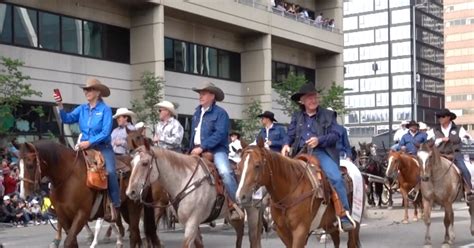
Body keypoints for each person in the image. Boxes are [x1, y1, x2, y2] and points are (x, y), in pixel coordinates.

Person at [281, 82, 354, 231]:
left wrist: (319, 140)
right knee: (279, 174)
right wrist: (285, 145)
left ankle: (343, 213)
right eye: (309, 98)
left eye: (314, 96)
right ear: (302, 101)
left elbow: (335, 135)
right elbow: (290, 134)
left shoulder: (328, 114)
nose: (313, 100)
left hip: (321, 152)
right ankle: (276, 212)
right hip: (300, 153)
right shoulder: (296, 116)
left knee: (336, 177)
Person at [54, 78, 120, 221]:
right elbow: (67, 119)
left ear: (98, 92)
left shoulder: (105, 110)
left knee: (110, 172)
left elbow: (105, 133)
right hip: (84, 147)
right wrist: (60, 105)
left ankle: (115, 203)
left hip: (103, 148)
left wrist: (89, 142)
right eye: (85, 89)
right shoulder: (82, 108)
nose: (86, 92)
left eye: (89, 89)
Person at [189, 82, 242, 220]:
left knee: (225, 172)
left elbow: (220, 134)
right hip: (196, 150)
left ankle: (236, 204)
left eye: (204, 94)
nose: (200, 96)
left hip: (217, 150)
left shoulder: (221, 113)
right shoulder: (196, 113)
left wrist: (202, 147)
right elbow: (193, 135)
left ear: (212, 96)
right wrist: (191, 149)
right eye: (200, 94)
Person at [427, 109, 474, 198]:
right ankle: (417, 190)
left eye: (442, 116)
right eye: (438, 117)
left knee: (464, 169)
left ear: (449, 117)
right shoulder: (434, 130)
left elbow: (468, 139)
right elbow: (428, 142)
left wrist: (464, 138)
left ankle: (468, 190)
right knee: (424, 168)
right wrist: (440, 140)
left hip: (455, 155)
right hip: (439, 155)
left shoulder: (459, 129)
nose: (440, 118)